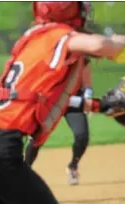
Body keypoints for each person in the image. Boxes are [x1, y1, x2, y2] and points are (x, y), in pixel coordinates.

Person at [0, 2, 125, 204]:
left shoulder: (31, 42)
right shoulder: (58, 36)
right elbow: (101, 45)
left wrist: (99, 105)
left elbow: (45, 101)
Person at [25, 57, 93, 185]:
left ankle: (73, 166)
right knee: (37, 138)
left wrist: (88, 98)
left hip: (73, 103)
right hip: (51, 103)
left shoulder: (81, 59)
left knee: (82, 136)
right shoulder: (49, 57)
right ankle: (24, 170)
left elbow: (87, 85)